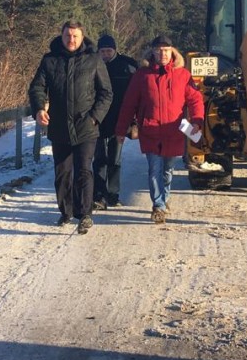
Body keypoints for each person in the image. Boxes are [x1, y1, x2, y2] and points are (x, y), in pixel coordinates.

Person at [28, 20, 113, 234]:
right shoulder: (50, 60)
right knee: (62, 172)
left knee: (84, 171)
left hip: (86, 126)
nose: (71, 40)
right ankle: (66, 211)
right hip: (59, 126)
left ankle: (85, 214)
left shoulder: (93, 60)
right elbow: (37, 87)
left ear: (82, 37)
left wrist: (95, 117)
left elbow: (106, 93)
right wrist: (39, 108)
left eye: (75, 36)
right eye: (68, 36)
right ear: (62, 36)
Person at [115, 34, 204, 224]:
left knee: (168, 170)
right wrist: (121, 130)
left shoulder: (183, 74)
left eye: (166, 50)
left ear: (172, 51)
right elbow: (129, 104)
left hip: (174, 131)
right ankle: (158, 206)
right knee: (154, 169)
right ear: (152, 52)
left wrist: (196, 122)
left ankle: (164, 197)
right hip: (151, 130)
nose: (162, 53)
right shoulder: (142, 75)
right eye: (158, 50)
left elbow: (195, 99)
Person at [92, 34, 138, 210]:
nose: (105, 54)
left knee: (115, 160)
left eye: (108, 50)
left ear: (115, 49)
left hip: (119, 121)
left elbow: (135, 95)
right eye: (102, 51)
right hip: (98, 120)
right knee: (99, 159)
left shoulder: (128, 66)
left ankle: (113, 195)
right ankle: (99, 195)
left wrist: (133, 121)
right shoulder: (92, 65)